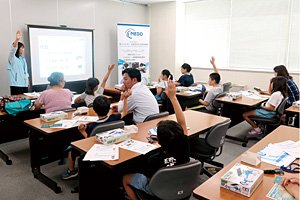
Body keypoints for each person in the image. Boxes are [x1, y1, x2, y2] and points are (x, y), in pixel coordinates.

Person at [122, 80, 190, 200]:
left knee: (125, 179)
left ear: (158, 141)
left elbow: (149, 179)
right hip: (180, 184)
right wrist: (173, 98)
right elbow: (182, 122)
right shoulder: (184, 146)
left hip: (158, 190)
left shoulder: (153, 159)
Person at [61, 91, 132, 179]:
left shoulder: (94, 126)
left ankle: (71, 171)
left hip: (97, 147)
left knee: (71, 149)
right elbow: (124, 112)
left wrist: (83, 131)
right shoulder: (114, 118)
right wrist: (125, 99)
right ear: (108, 108)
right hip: (112, 144)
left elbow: (90, 139)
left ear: (94, 110)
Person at [8, 30, 30, 95]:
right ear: (18, 48)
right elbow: (12, 50)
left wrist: (27, 81)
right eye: (22, 48)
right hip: (16, 85)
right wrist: (17, 40)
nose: (23, 50)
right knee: (17, 102)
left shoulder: (22, 59)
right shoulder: (12, 58)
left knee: (25, 102)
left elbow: (25, 72)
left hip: (24, 84)